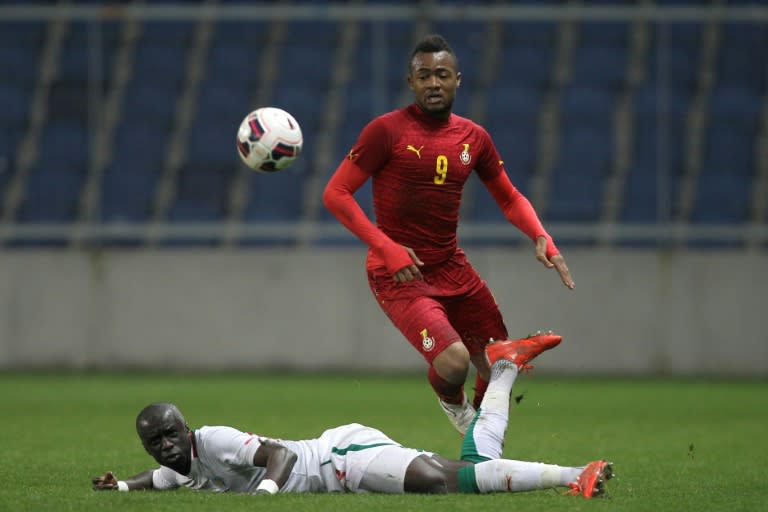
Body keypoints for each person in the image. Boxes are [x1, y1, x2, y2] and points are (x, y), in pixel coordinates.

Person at [322, 34, 575, 434]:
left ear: (458, 80)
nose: (433, 83)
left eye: (442, 75)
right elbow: (335, 194)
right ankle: (452, 403)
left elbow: (509, 198)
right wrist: (386, 247)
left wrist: (541, 235)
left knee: (499, 366)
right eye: (424, 76)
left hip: (451, 267)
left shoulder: (473, 138)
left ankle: (480, 438)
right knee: (454, 361)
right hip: (399, 274)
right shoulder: (385, 131)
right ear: (411, 83)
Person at [92, 337, 612, 498]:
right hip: (340, 475)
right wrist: (121, 488)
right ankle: (502, 367)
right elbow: (163, 479)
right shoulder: (182, 466)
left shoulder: (215, 439)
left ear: (185, 429)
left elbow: (282, 454)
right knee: (466, 470)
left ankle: (575, 475)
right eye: (154, 443)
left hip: (339, 457)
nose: (163, 447)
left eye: (168, 435)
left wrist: (266, 494)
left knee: (444, 480)